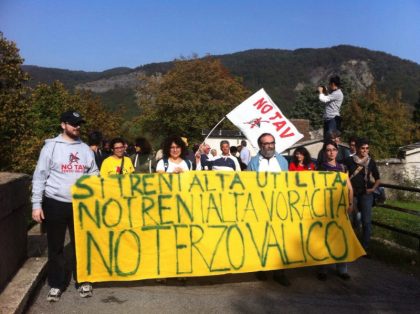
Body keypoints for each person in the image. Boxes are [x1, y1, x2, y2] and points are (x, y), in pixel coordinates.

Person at [32, 110, 98, 302]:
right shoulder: (50, 147)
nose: (77, 127)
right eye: (72, 123)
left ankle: (84, 279)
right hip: (55, 203)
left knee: (82, 244)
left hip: (81, 204)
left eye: (79, 124)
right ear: (63, 125)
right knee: (56, 246)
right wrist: (37, 204)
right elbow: (39, 176)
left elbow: (93, 173)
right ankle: (56, 284)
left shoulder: (85, 149)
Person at [247, 133, 290, 286]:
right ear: (260, 146)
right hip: (260, 208)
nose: (270, 146)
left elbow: (288, 183)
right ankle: (262, 268)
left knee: (280, 240)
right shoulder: (253, 163)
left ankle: (280, 272)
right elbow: (248, 186)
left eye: (272, 143)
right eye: (266, 143)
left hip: (279, 207)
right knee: (262, 239)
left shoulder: (282, 161)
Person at [317, 140, 354, 280]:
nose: (331, 152)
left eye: (333, 149)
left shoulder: (343, 168)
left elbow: (349, 187)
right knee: (324, 238)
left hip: (340, 209)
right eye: (328, 150)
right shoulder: (320, 168)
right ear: (325, 152)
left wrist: (350, 203)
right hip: (325, 209)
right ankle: (323, 269)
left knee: (341, 238)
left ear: (337, 152)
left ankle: (342, 269)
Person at [344, 138, 380, 252]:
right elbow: (343, 174)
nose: (365, 150)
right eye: (363, 148)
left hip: (366, 194)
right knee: (351, 220)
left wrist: (373, 189)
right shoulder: (349, 161)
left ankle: (364, 248)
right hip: (352, 194)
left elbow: (378, 179)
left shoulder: (371, 162)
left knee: (366, 221)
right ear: (357, 148)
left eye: (367, 148)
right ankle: (350, 245)